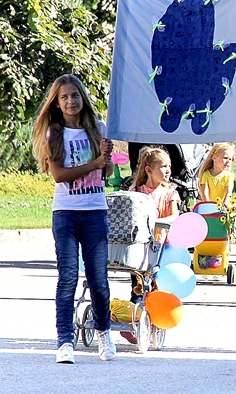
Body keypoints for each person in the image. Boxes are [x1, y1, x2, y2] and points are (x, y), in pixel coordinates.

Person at [31, 74, 116, 364]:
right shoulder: (54, 133)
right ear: (56, 102)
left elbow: (108, 175)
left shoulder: (98, 129)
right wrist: (93, 163)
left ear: (83, 98)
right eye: (64, 97)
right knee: (67, 277)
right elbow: (59, 176)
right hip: (66, 213)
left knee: (98, 279)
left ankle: (104, 332)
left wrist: (107, 160)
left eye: (75, 95)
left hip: (94, 210)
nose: (71, 101)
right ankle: (65, 341)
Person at [123, 145, 180, 343]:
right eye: (163, 166)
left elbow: (174, 215)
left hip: (160, 246)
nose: (167, 170)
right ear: (149, 170)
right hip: (138, 245)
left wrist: (157, 222)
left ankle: (155, 321)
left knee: (155, 285)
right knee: (138, 284)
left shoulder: (169, 192)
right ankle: (133, 319)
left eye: (169, 167)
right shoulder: (137, 191)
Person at [199, 143, 235, 207]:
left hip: (223, 206)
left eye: (230, 159)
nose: (228, 161)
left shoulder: (229, 176)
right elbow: (205, 194)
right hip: (208, 205)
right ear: (214, 157)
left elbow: (228, 194)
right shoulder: (206, 174)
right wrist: (208, 206)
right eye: (225, 158)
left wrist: (225, 205)